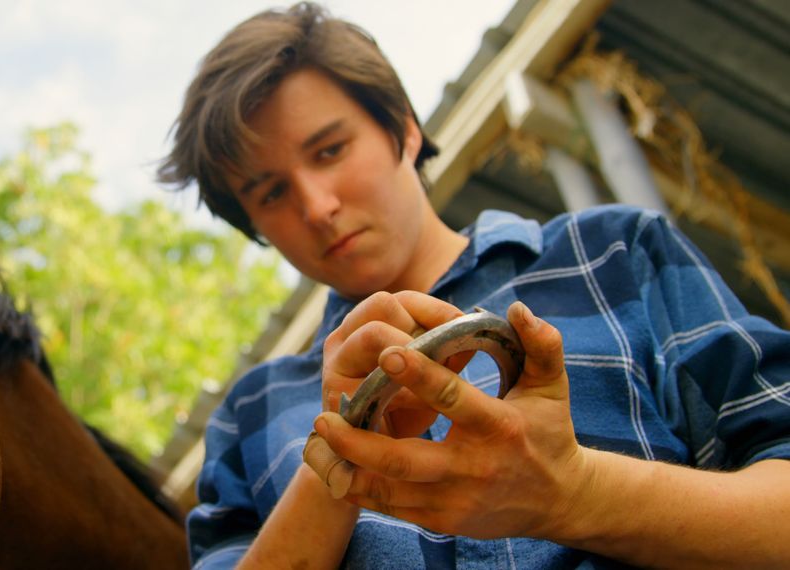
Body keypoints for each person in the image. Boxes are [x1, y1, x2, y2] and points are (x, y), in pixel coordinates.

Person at [158, 3, 790, 568]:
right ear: (257, 227)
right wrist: (343, 444)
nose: (317, 205)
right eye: (270, 192)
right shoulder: (251, 412)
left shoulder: (616, 253)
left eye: (329, 150)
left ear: (404, 128)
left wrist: (576, 494)